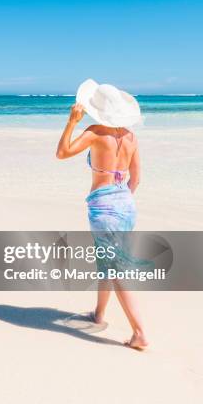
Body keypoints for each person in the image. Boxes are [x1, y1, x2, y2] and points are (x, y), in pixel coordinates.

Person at [56, 79, 148, 349]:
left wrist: (72, 122)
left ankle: (139, 332)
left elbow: (62, 153)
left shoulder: (95, 132)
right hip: (127, 206)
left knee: (115, 269)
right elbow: (136, 180)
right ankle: (98, 315)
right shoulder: (131, 137)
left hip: (104, 209)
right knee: (106, 265)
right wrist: (122, 202)